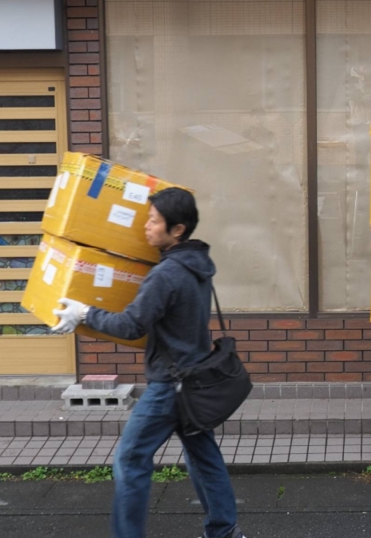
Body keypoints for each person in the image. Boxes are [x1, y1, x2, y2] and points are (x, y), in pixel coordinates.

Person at [51, 188, 245, 538]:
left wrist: (86, 313)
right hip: (195, 381)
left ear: (178, 230)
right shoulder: (199, 265)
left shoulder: (166, 274)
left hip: (169, 388)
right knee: (203, 459)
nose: (146, 226)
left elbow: (130, 325)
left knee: (130, 459)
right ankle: (224, 530)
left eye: (154, 221)